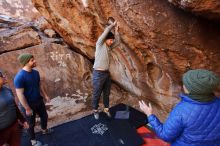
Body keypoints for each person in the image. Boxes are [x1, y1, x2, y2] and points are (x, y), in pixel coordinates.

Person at [139, 69, 220, 146]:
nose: (183, 85)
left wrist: (150, 115)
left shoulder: (182, 111)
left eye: (186, 84)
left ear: (194, 90)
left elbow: (165, 135)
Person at [14, 53, 53, 146]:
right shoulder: (19, 77)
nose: (35, 61)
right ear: (25, 62)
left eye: (33, 59)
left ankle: (44, 130)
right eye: (32, 60)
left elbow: (39, 85)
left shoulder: (36, 73)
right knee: (31, 124)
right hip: (28, 105)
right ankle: (33, 140)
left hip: (39, 101)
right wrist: (27, 108)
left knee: (45, 117)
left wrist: (45, 95)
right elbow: (20, 94)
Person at [92, 20, 119, 119]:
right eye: (110, 40)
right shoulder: (100, 44)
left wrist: (117, 31)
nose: (112, 42)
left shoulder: (110, 48)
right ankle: (95, 110)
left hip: (106, 74)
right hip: (98, 74)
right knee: (96, 93)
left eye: (112, 40)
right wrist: (113, 25)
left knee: (106, 93)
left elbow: (118, 41)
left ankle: (106, 109)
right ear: (105, 39)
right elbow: (106, 31)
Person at [0, 70, 29, 146]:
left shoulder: (7, 90)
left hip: (14, 126)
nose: (4, 77)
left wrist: (22, 120)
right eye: (2, 76)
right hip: (2, 132)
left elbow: (14, 107)